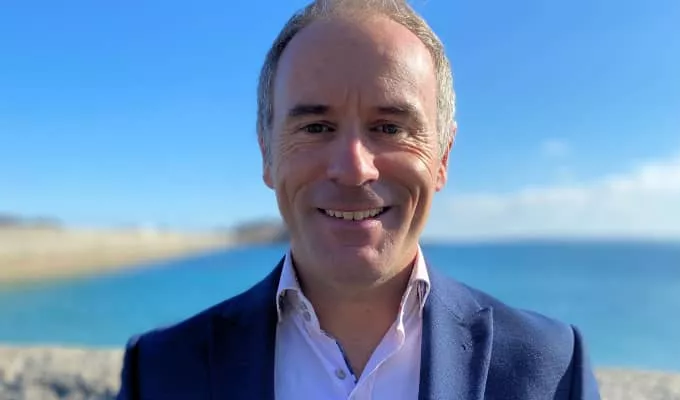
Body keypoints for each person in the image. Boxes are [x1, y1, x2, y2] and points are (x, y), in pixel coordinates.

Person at [117, 0, 601, 399]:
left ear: (443, 157)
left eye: (389, 128)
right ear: (267, 154)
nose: (353, 169)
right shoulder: (159, 372)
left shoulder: (552, 368)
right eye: (316, 127)